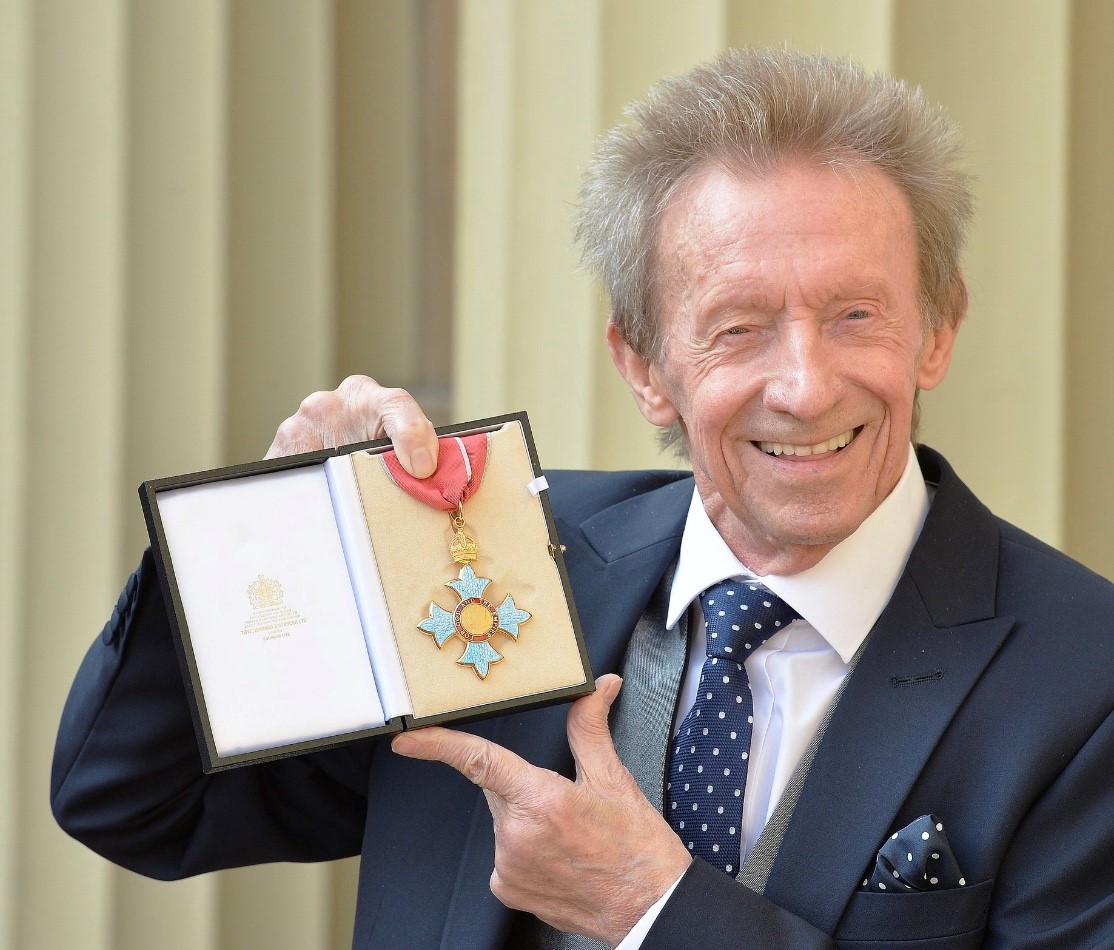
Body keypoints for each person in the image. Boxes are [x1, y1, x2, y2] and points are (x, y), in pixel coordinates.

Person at [52, 48, 1114, 949]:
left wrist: (654, 907)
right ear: (643, 362)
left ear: (935, 328)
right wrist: (277, 526)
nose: (803, 384)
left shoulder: (1086, 678)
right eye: (738, 325)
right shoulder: (482, 554)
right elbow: (133, 799)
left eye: (853, 314)